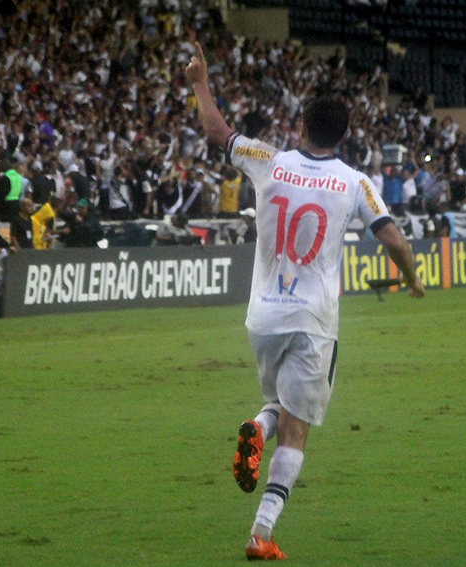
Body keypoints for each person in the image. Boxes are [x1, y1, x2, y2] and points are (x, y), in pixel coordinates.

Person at [185, 42, 425, 561]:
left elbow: (217, 131)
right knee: (297, 430)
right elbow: (395, 241)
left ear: (300, 127)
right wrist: (411, 280)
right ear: (344, 136)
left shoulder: (268, 160)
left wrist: (200, 83)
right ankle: (261, 533)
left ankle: (258, 427)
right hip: (314, 320)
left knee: (280, 404)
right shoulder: (355, 182)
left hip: (263, 316)